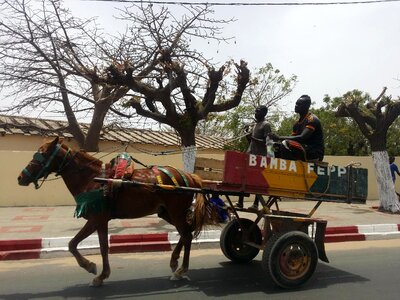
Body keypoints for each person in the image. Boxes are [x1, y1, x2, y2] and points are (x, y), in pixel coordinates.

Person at [269, 95, 324, 162]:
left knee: (285, 143)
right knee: (275, 146)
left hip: (314, 152)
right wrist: (277, 140)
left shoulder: (312, 119)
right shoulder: (296, 124)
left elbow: (302, 137)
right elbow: (293, 139)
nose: (296, 106)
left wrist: (279, 137)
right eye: (296, 104)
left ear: (306, 106)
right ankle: (279, 166)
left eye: (299, 104)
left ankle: (290, 166)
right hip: (303, 148)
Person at [236, 105, 271, 209]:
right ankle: (240, 202)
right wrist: (247, 134)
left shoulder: (266, 125)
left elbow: (267, 142)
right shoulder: (256, 125)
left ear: (264, 113)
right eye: (255, 111)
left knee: (257, 181)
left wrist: (252, 138)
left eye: (258, 111)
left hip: (260, 157)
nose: (255, 113)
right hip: (250, 154)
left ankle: (255, 204)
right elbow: (251, 141)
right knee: (244, 178)